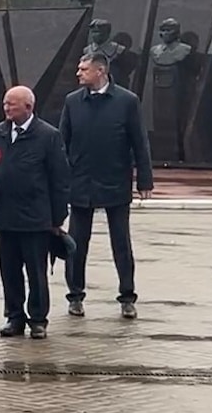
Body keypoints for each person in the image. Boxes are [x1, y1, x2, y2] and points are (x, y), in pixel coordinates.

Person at [59, 50, 153, 320]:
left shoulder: (127, 101)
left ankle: (127, 297)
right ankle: (75, 296)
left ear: (101, 71)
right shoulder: (73, 101)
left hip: (115, 181)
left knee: (121, 243)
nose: (78, 73)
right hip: (81, 182)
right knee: (76, 243)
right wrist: (59, 178)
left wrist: (144, 179)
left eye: (84, 69)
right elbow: (61, 142)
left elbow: (139, 142)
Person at [0, 85, 70, 339]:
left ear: (28, 107)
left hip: (35, 218)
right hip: (5, 216)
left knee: (36, 273)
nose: (6, 108)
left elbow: (60, 179)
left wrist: (56, 219)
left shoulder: (48, 136)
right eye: (5, 103)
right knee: (9, 272)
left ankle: (38, 319)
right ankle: (14, 317)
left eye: (12, 104)